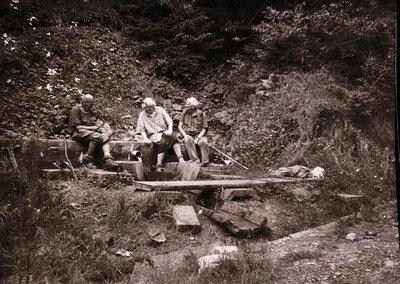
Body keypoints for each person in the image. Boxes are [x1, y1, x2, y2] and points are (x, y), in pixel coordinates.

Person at [69, 94, 119, 170]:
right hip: (78, 133)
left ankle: (107, 159)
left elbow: (97, 122)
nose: (88, 105)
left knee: (105, 136)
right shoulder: (75, 110)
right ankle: (87, 158)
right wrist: (95, 128)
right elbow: (78, 127)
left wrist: (103, 127)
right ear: (82, 102)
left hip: (89, 132)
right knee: (97, 136)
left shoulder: (91, 111)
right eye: (86, 102)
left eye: (90, 103)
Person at [136, 97, 185, 172]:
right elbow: (141, 129)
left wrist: (170, 130)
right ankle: (158, 165)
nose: (149, 109)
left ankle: (180, 158)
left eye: (151, 107)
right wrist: (145, 139)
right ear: (144, 107)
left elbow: (169, 121)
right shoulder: (142, 115)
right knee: (162, 140)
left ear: (153, 106)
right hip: (153, 134)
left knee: (172, 136)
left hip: (164, 132)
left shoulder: (160, 110)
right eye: (147, 107)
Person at [178, 97, 209, 166]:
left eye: (187, 104)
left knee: (203, 142)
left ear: (192, 106)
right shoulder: (184, 113)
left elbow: (204, 128)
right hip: (188, 134)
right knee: (188, 139)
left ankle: (205, 162)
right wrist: (185, 135)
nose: (185, 105)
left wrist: (198, 138)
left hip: (199, 135)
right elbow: (179, 126)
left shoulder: (202, 114)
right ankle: (195, 160)